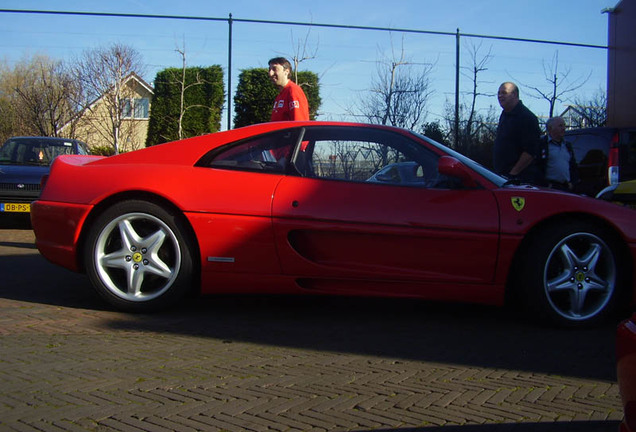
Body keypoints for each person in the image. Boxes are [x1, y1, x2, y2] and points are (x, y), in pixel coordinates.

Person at [493, 82, 541, 183]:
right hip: (501, 176)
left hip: (519, 180)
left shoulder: (526, 117)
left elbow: (530, 151)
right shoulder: (504, 115)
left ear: (514, 94)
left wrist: (512, 174)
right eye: (498, 93)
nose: (500, 96)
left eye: (504, 93)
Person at [537, 116, 579, 191]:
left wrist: (573, 183)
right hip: (550, 188)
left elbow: (573, 166)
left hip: (566, 187)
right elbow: (537, 167)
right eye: (560, 126)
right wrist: (545, 184)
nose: (563, 128)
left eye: (564, 125)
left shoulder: (567, 145)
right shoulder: (542, 145)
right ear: (550, 128)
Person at [268, 57, 309, 122]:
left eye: (274, 69)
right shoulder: (280, 95)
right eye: (269, 69)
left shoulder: (293, 91)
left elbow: (299, 123)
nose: (270, 73)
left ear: (286, 71)